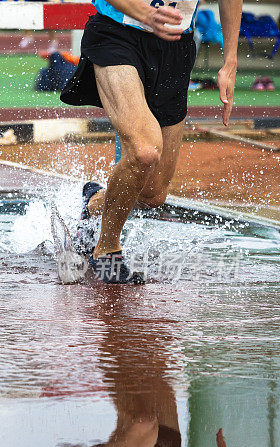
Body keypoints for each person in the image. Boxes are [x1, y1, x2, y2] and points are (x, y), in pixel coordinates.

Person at [60, 0, 242, 283]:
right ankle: (107, 250)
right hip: (117, 34)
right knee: (144, 151)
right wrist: (146, 13)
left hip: (175, 48)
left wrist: (230, 61)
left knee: (152, 195)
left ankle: (92, 202)